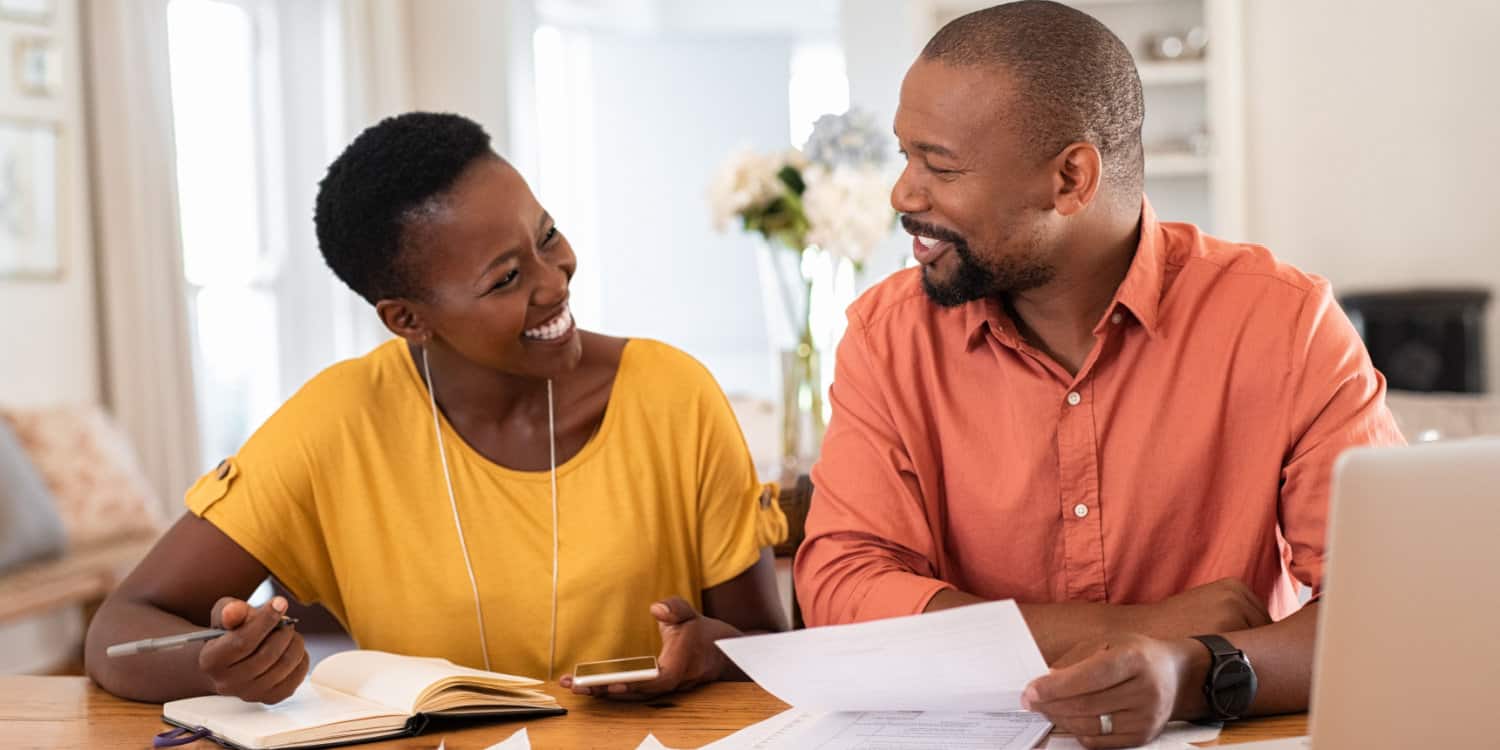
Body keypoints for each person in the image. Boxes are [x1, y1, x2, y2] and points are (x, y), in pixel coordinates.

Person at [793, 2, 1403, 747]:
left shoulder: (1283, 323)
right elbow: (842, 589)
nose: (903, 195)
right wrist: (1133, 630)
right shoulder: (888, 338)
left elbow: (1385, 607)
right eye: (905, 157)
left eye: (940, 166)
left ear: (1072, 178)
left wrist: (1190, 669)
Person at [85, 112, 787, 705]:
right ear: (407, 319)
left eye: (546, 236)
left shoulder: (673, 394)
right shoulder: (336, 423)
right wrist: (218, 667)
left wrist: (705, 654)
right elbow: (118, 629)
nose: (555, 281)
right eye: (506, 277)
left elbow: (765, 646)